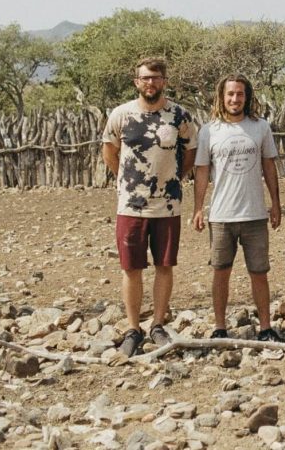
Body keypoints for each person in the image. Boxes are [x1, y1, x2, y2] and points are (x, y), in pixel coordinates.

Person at [102, 57, 198, 356]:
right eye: (145, 78)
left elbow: (190, 152)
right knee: (131, 267)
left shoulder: (179, 115)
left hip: (167, 205)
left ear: (164, 81)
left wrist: (175, 180)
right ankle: (133, 328)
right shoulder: (121, 114)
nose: (150, 83)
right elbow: (110, 151)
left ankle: (157, 324)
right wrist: (126, 181)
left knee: (164, 265)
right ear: (137, 82)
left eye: (156, 78)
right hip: (131, 206)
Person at [192, 75, 283, 342]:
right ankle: (220, 327)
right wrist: (198, 208)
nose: (235, 99)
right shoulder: (209, 131)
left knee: (259, 272)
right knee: (221, 271)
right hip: (222, 215)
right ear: (222, 97)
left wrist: (276, 203)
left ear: (247, 96)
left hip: (255, 214)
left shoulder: (260, 127)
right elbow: (202, 171)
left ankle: (265, 327)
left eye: (240, 94)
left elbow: (269, 166)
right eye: (230, 94)